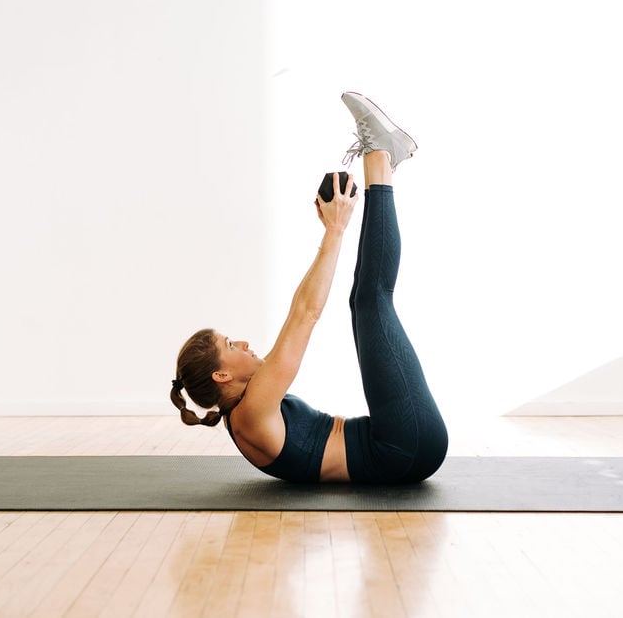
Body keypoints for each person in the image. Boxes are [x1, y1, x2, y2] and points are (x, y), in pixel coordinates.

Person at [169, 93, 448, 484]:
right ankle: (381, 157)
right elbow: (305, 315)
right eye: (231, 346)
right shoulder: (250, 415)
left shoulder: (248, 413)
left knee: (365, 300)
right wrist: (335, 230)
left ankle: (383, 158)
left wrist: (334, 232)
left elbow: (303, 309)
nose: (244, 344)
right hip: (407, 447)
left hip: (400, 445)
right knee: (371, 302)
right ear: (220, 376)